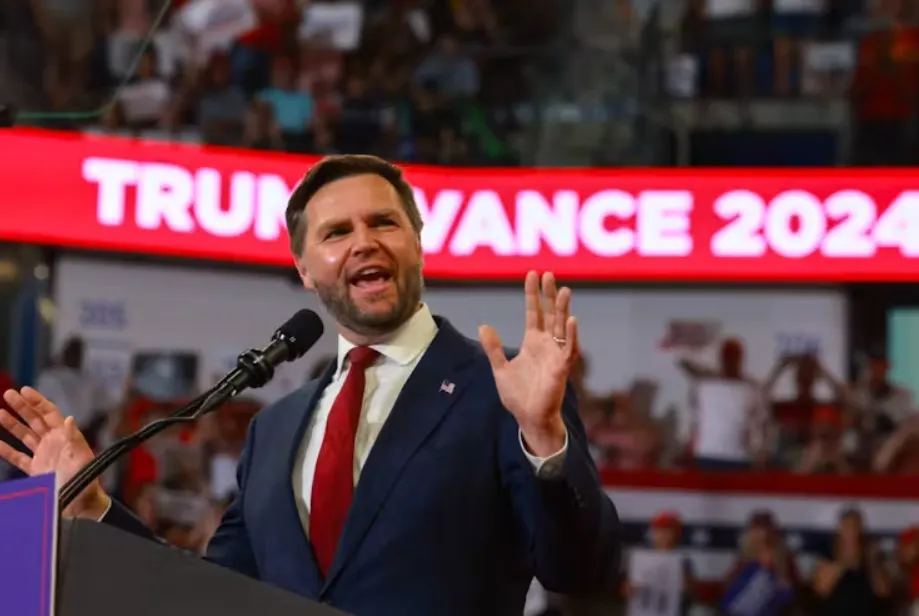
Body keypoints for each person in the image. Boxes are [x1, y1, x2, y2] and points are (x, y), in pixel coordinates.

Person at [0, 155, 620, 615]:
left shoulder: (499, 390)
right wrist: (96, 510)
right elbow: (210, 594)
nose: (364, 242)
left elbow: (580, 572)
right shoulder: (273, 431)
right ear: (303, 268)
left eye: (384, 223)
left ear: (417, 244)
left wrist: (544, 440)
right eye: (336, 232)